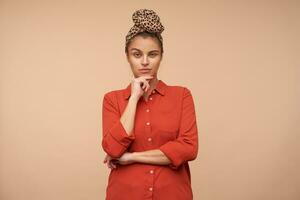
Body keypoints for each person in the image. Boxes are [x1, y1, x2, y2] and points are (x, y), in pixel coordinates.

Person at [101, 8, 199, 200]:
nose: (145, 62)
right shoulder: (112, 100)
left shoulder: (182, 96)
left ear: (161, 56)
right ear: (127, 56)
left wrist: (131, 157)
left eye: (152, 54)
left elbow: (188, 148)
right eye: (137, 54)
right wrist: (134, 98)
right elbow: (113, 150)